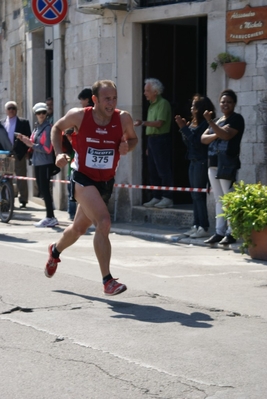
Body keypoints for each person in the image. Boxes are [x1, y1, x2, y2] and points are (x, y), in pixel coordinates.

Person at [46, 79, 138, 296]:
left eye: (114, 98)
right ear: (95, 99)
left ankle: (55, 251)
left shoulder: (123, 118)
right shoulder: (80, 115)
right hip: (82, 177)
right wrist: (59, 152)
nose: (111, 103)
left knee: (78, 229)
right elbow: (57, 127)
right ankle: (107, 281)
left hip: (105, 180)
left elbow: (133, 140)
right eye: (107, 98)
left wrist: (127, 146)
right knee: (104, 221)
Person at [201, 89, 245, 245]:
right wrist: (216, 132)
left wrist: (211, 123)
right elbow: (203, 139)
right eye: (223, 102)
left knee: (229, 199)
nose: (225, 104)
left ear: (234, 104)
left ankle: (231, 232)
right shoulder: (219, 121)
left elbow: (227, 135)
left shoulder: (236, 119)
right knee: (219, 199)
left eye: (229, 102)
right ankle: (219, 232)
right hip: (213, 162)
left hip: (227, 163)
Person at [175, 95, 216, 238]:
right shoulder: (195, 123)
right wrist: (184, 129)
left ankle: (203, 226)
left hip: (201, 161)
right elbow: (188, 142)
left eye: (195, 106)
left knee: (199, 195)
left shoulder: (205, 124)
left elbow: (197, 141)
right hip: (193, 160)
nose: (192, 109)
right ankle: (196, 224)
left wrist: (183, 128)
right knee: (194, 195)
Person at [16, 102, 59, 227]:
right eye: (38, 113)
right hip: (37, 162)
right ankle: (49, 216)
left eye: (43, 112)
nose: (41, 115)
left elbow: (48, 149)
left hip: (45, 162)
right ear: (35, 114)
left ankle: (51, 216)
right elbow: (33, 143)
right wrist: (25, 140)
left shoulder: (48, 128)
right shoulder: (36, 128)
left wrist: (31, 145)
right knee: (41, 189)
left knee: (45, 189)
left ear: (46, 113)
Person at [134, 78, 173, 208]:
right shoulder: (151, 105)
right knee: (153, 170)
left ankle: (167, 197)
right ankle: (156, 196)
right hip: (152, 140)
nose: (145, 93)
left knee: (163, 170)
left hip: (161, 139)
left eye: (147, 90)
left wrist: (142, 123)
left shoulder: (163, 103)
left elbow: (159, 123)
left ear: (155, 92)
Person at [1, 101, 31, 208]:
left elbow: (28, 137)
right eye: (9, 108)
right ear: (6, 110)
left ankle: (23, 200)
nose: (11, 110)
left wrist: (24, 151)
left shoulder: (23, 122)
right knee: (6, 177)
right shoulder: (2, 123)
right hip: (5, 154)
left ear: (16, 109)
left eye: (13, 108)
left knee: (21, 177)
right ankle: (6, 200)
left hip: (18, 153)